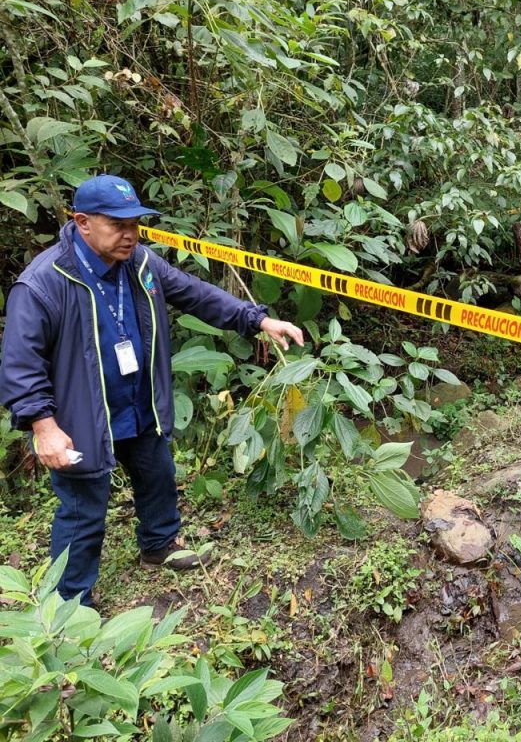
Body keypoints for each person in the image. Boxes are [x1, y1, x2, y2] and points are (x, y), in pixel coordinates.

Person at [0, 174, 304, 609]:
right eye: (117, 224)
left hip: (138, 401)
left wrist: (257, 320)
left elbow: (196, 294)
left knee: (157, 473)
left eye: (135, 224)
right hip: (83, 412)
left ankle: (159, 544)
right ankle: (67, 607)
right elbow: (20, 363)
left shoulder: (140, 262)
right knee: (83, 508)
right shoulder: (43, 283)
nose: (130, 234)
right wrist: (43, 426)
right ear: (82, 222)